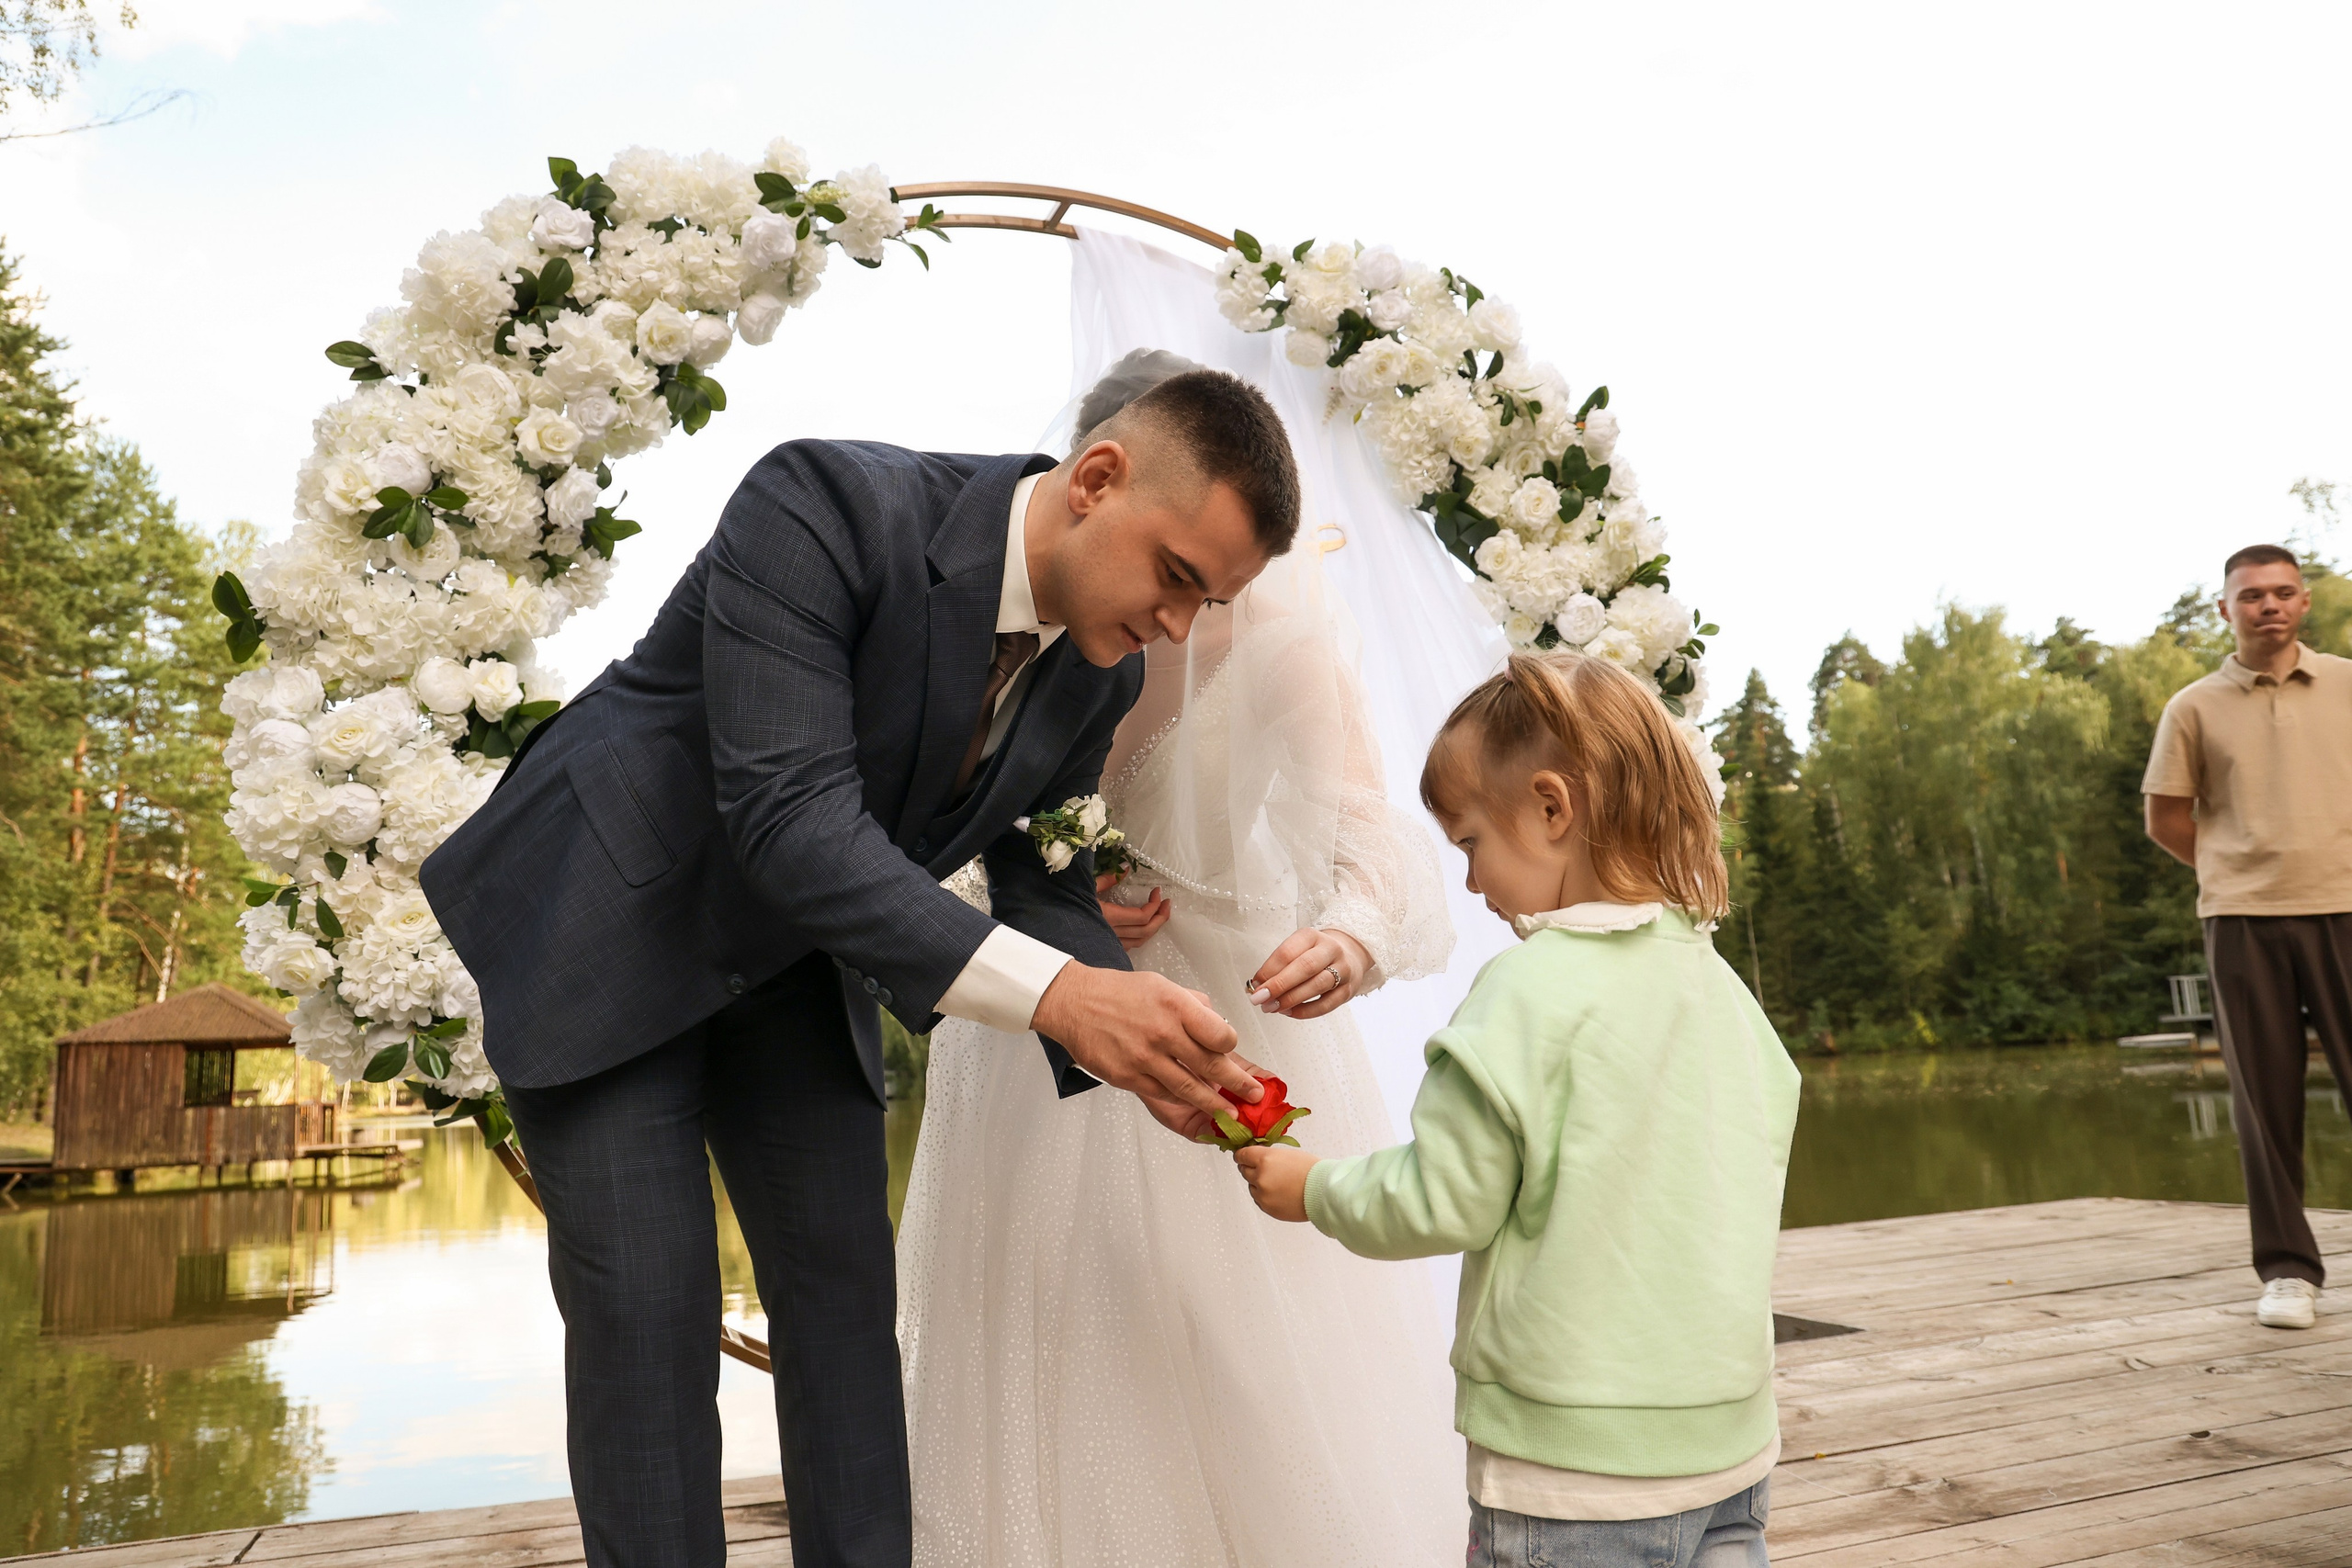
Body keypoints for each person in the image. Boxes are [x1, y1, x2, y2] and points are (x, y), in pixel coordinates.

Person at [418, 370, 1299, 1568]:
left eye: (1214, 599)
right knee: (648, 1321)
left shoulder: (1098, 670)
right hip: (609, 920)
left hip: (790, 952)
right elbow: (790, 819)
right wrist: (1066, 996)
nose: (1181, 625)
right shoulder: (825, 500)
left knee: (845, 1314)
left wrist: (1149, 1048)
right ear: (1097, 480)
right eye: (1179, 576)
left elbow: (1042, 881)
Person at [895, 350, 1465, 1567]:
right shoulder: (1017, 617)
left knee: (1246, 1356)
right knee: (1045, 1332)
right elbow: (919, 828)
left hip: (1233, 1018)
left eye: (1202, 579)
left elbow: (1377, 837)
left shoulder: (1281, 642)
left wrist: (1354, 931)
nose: (1175, 608)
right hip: (1041, 1024)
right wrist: (1046, 877)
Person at [1237, 652, 1801, 1568]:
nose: (1468, 883)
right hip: (1731, 1451)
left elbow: (1443, 1201)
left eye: (1467, 843)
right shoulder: (1720, 989)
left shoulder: (1524, 993)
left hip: (1568, 1474)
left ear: (1550, 808)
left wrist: (1315, 1189)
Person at [2143, 543, 2352, 1333]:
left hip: (2347, 906)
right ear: (2224, 608)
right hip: (2243, 920)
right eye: (2251, 595)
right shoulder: (2193, 706)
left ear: (2304, 604)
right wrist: (2236, 865)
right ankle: (2290, 1271)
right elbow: (2167, 818)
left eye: (2283, 593)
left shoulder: (2347, 685)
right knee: (2264, 1101)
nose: (2268, 605)